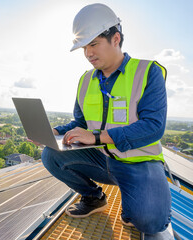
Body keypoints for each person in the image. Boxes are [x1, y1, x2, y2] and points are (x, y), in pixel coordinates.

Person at [41, 3, 172, 237]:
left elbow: (153, 127)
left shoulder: (148, 72)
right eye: (84, 47)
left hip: (140, 163)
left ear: (116, 38)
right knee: (51, 154)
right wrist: (55, 132)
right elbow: (80, 123)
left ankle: (135, 200)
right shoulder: (85, 80)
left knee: (150, 222)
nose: (88, 53)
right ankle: (94, 197)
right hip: (102, 160)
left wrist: (97, 137)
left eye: (93, 44)